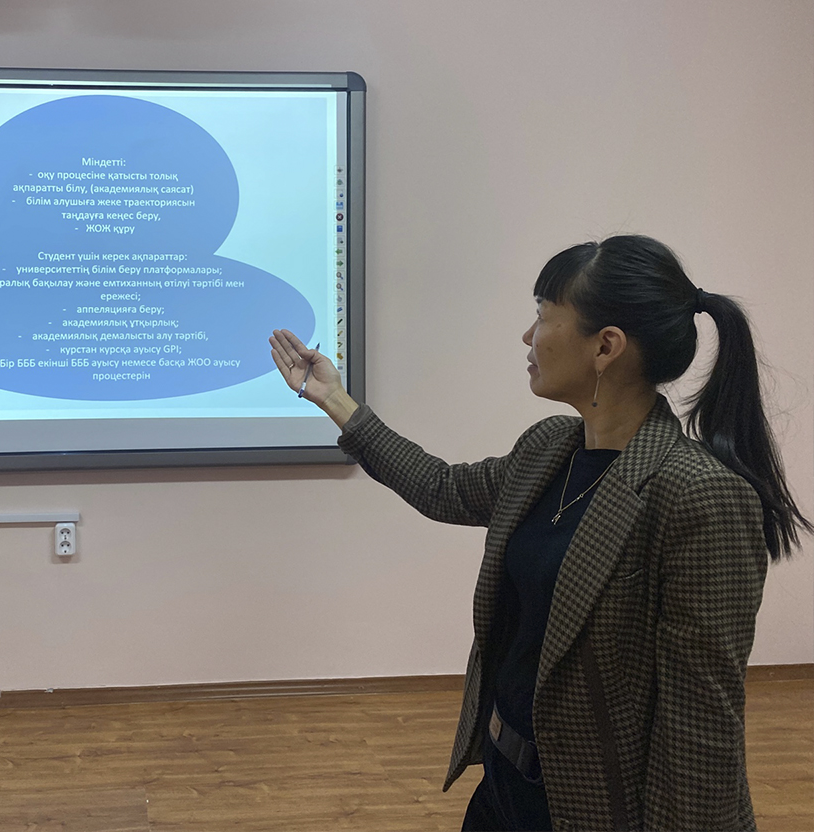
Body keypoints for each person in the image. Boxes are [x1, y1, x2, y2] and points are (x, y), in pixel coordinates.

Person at [270, 234, 810, 832]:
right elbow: (443, 487)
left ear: (605, 347)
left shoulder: (699, 495)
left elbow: (699, 725)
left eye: (544, 316)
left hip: (591, 810)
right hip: (504, 783)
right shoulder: (548, 448)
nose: (528, 337)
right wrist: (334, 398)